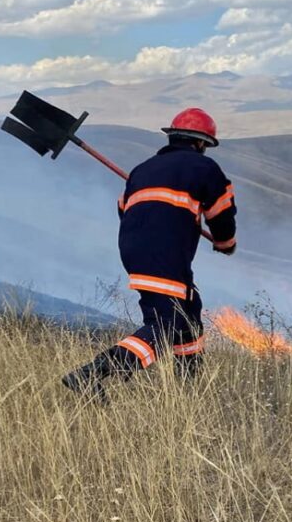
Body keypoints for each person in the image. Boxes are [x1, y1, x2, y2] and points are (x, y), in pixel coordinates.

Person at [62, 108, 237, 403]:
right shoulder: (205, 168)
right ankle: (93, 373)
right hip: (165, 253)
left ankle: (188, 390)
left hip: (135, 250)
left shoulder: (143, 169)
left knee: (188, 313)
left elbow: (124, 209)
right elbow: (221, 212)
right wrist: (225, 243)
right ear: (201, 143)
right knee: (166, 325)